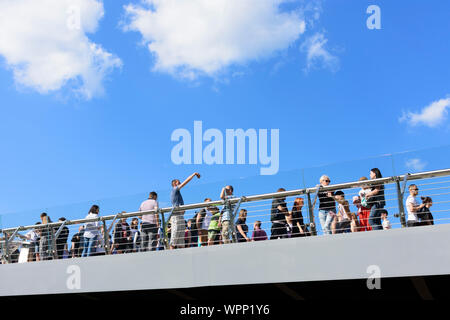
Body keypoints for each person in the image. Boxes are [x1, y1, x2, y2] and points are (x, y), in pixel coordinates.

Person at [170, 172, 201, 249]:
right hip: (176, 216)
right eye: (178, 181)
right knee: (174, 237)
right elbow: (185, 182)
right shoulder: (174, 190)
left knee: (180, 239)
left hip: (180, 216)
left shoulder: (178, 193)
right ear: (174, 184)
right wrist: (193, 175)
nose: (180, 182)